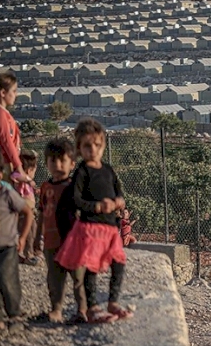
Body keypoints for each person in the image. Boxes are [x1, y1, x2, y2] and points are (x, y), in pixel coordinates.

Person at [55, 118, 132, 324]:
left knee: (119, 263)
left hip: (110, 228)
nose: (93, 150)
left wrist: (118, 202)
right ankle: (92, 307)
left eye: (97, 145)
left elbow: (119, 192)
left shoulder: (108, 170)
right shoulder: (82, 172)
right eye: (87, 146)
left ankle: (113, 301)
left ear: (103, 145)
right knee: (90, 268)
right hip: (90, 228)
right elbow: (76, 200)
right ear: (79, 148)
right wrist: (97, 206)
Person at [0, 141, 34, 335]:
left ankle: (15, 315)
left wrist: (23, 237)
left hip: (6, 248)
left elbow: (27, 212)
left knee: (7, 281)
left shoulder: (7, 194)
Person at [37, 137, 87, 324]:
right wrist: (36, 238)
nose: (57, 164)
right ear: (46, 163)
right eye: (52, 160)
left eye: (62, 160)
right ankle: (56, 310)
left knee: (79, 278)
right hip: (51, 242)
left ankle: (82, 310)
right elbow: (41, 212)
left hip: (73, 242)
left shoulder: (74, 188)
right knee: (54, 279)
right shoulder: (45, 187)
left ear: (72, 163)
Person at [0, 73, 30, 183]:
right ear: (3, 93)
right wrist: (19, 167)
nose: (16, 95)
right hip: (4, 163)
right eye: (13, 91)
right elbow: (7, 142)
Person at [14, 150, 39, 265]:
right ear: (29, 170)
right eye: (34, 171)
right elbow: (15, 176)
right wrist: (28, 180)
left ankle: (29, 252)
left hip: (31, 213)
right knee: (28, 233)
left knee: (33, 230)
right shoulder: (21, 178)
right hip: (24, 213)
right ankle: (28, 255)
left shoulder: (29, 184)